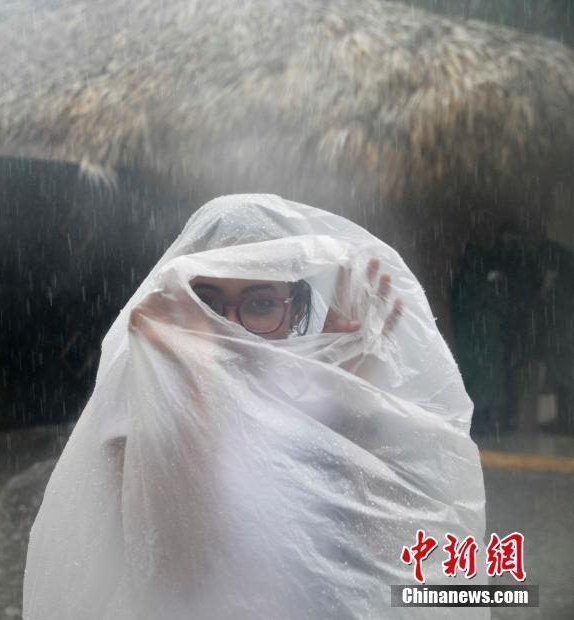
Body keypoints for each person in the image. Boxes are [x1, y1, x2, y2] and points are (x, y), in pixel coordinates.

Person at [24, 195, 488, 619]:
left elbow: (368, 547)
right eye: (206, 302)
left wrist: (357, 392)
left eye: (260, 303)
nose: (229, 327)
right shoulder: (143, 395)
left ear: (294, 311)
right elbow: (176, 568)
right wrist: (197, 386)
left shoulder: (307, 397)